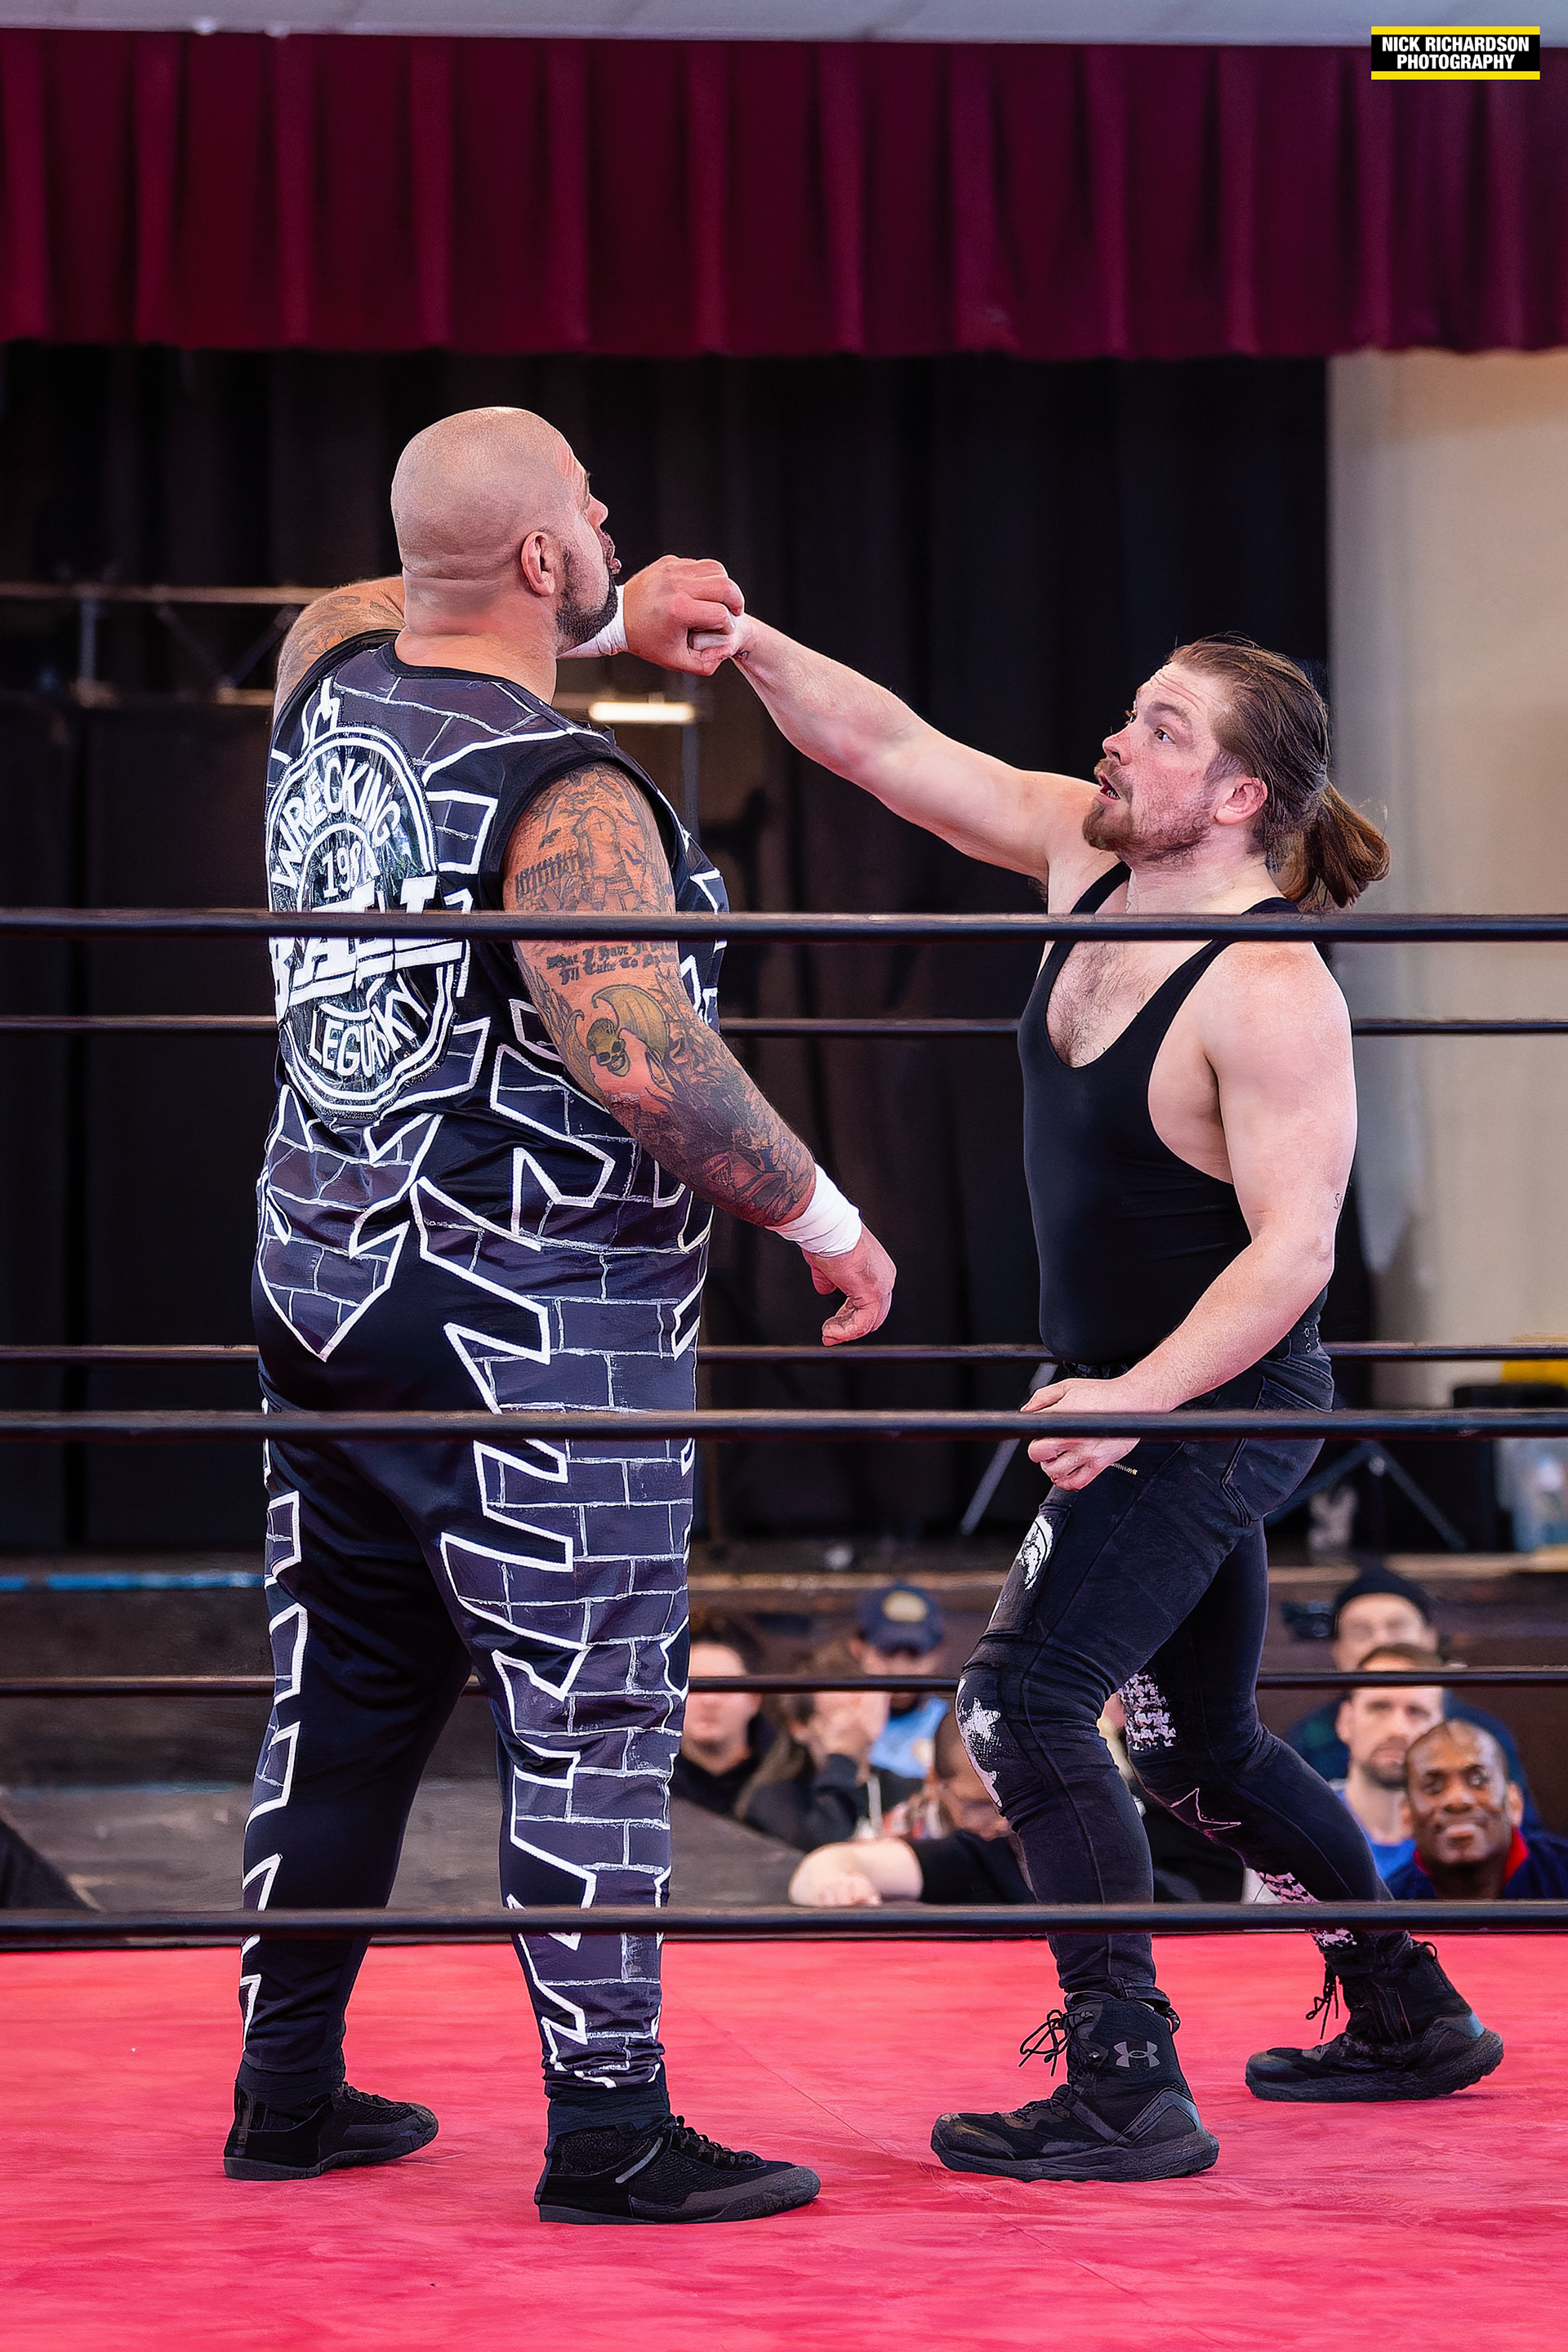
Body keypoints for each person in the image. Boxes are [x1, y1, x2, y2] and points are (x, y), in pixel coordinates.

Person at [682, 611, 1503, 2180]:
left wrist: (1131, 1401)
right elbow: (892, 751)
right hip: (1133, 1396)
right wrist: (744, 640)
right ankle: (1409, 2008)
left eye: (1164, 728)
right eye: (1133, 713)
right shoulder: (1088, 853)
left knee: (1021, 1704)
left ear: (1243, 795)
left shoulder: (1268, 987)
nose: (1120, 740)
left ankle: (1125, 2080)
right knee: (1197, 1748)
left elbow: (1293, 1256)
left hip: (1219, 1402)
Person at [235, 406, 896, 2226]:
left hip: (325, 1279)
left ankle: (284, 2090)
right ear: (540, 554)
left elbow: (371, 593)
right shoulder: (570, 792)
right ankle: (610, 2130)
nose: (612, 521)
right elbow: (636, 1050)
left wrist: (590, 609)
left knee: (345, 1694)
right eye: (590, 513)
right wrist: (826, 1218)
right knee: (597, 1707)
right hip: (529, 1320)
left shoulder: (325, 686)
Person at [1285, 1563, 1540, 1824]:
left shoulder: (1482, 1734)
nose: (1382, 1642)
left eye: (1397, 1628)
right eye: (1361, 1632)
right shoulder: (1310, 1737)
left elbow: (1523, 1832)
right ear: (1337, 1650)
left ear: (1430, 1640)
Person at [788, 1707, 1030, 1908]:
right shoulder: (976, 1856)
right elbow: (825, 1864)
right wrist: (841, 1887)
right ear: (935, 1784)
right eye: (981, 1805)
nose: (1005, 1820)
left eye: (1020, 1801)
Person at [737, 1644, 917, 1849]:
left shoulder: (906, 1790)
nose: (858, 1716)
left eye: (861, 1700)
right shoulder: (774, 1799)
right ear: (799, 1727)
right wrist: (842, 1757)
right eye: (840, 1714)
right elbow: (825, 1848)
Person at [1386, 1722, 1568, 1901]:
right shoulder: (1389, 1902)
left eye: (1478, 1780)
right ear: (1407, 1815)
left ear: (1514, 1804)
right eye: (1433, 1786)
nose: (1457, 1800)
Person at [1325, 1644, 1446, 1882]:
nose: (1397, 1730)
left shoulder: (1465, 1837)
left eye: (1417, 1712)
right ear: (1345, 1721)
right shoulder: (1295, 1825)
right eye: (1379, 1707)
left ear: (1441, 1731)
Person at [672, 1615, 775, 1815]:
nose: (710, 1700)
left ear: (754, 1699)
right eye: (696, 1685)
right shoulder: (646, 1781)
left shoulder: (794, 1778)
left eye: (725, 1686)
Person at [849, 1581, 949, 1780]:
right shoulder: (834, 1724)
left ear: (939, 1653)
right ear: (857, 1647)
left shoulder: (955, 1731)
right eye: (887, 1652)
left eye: (915, 1654)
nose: (900, 1669)